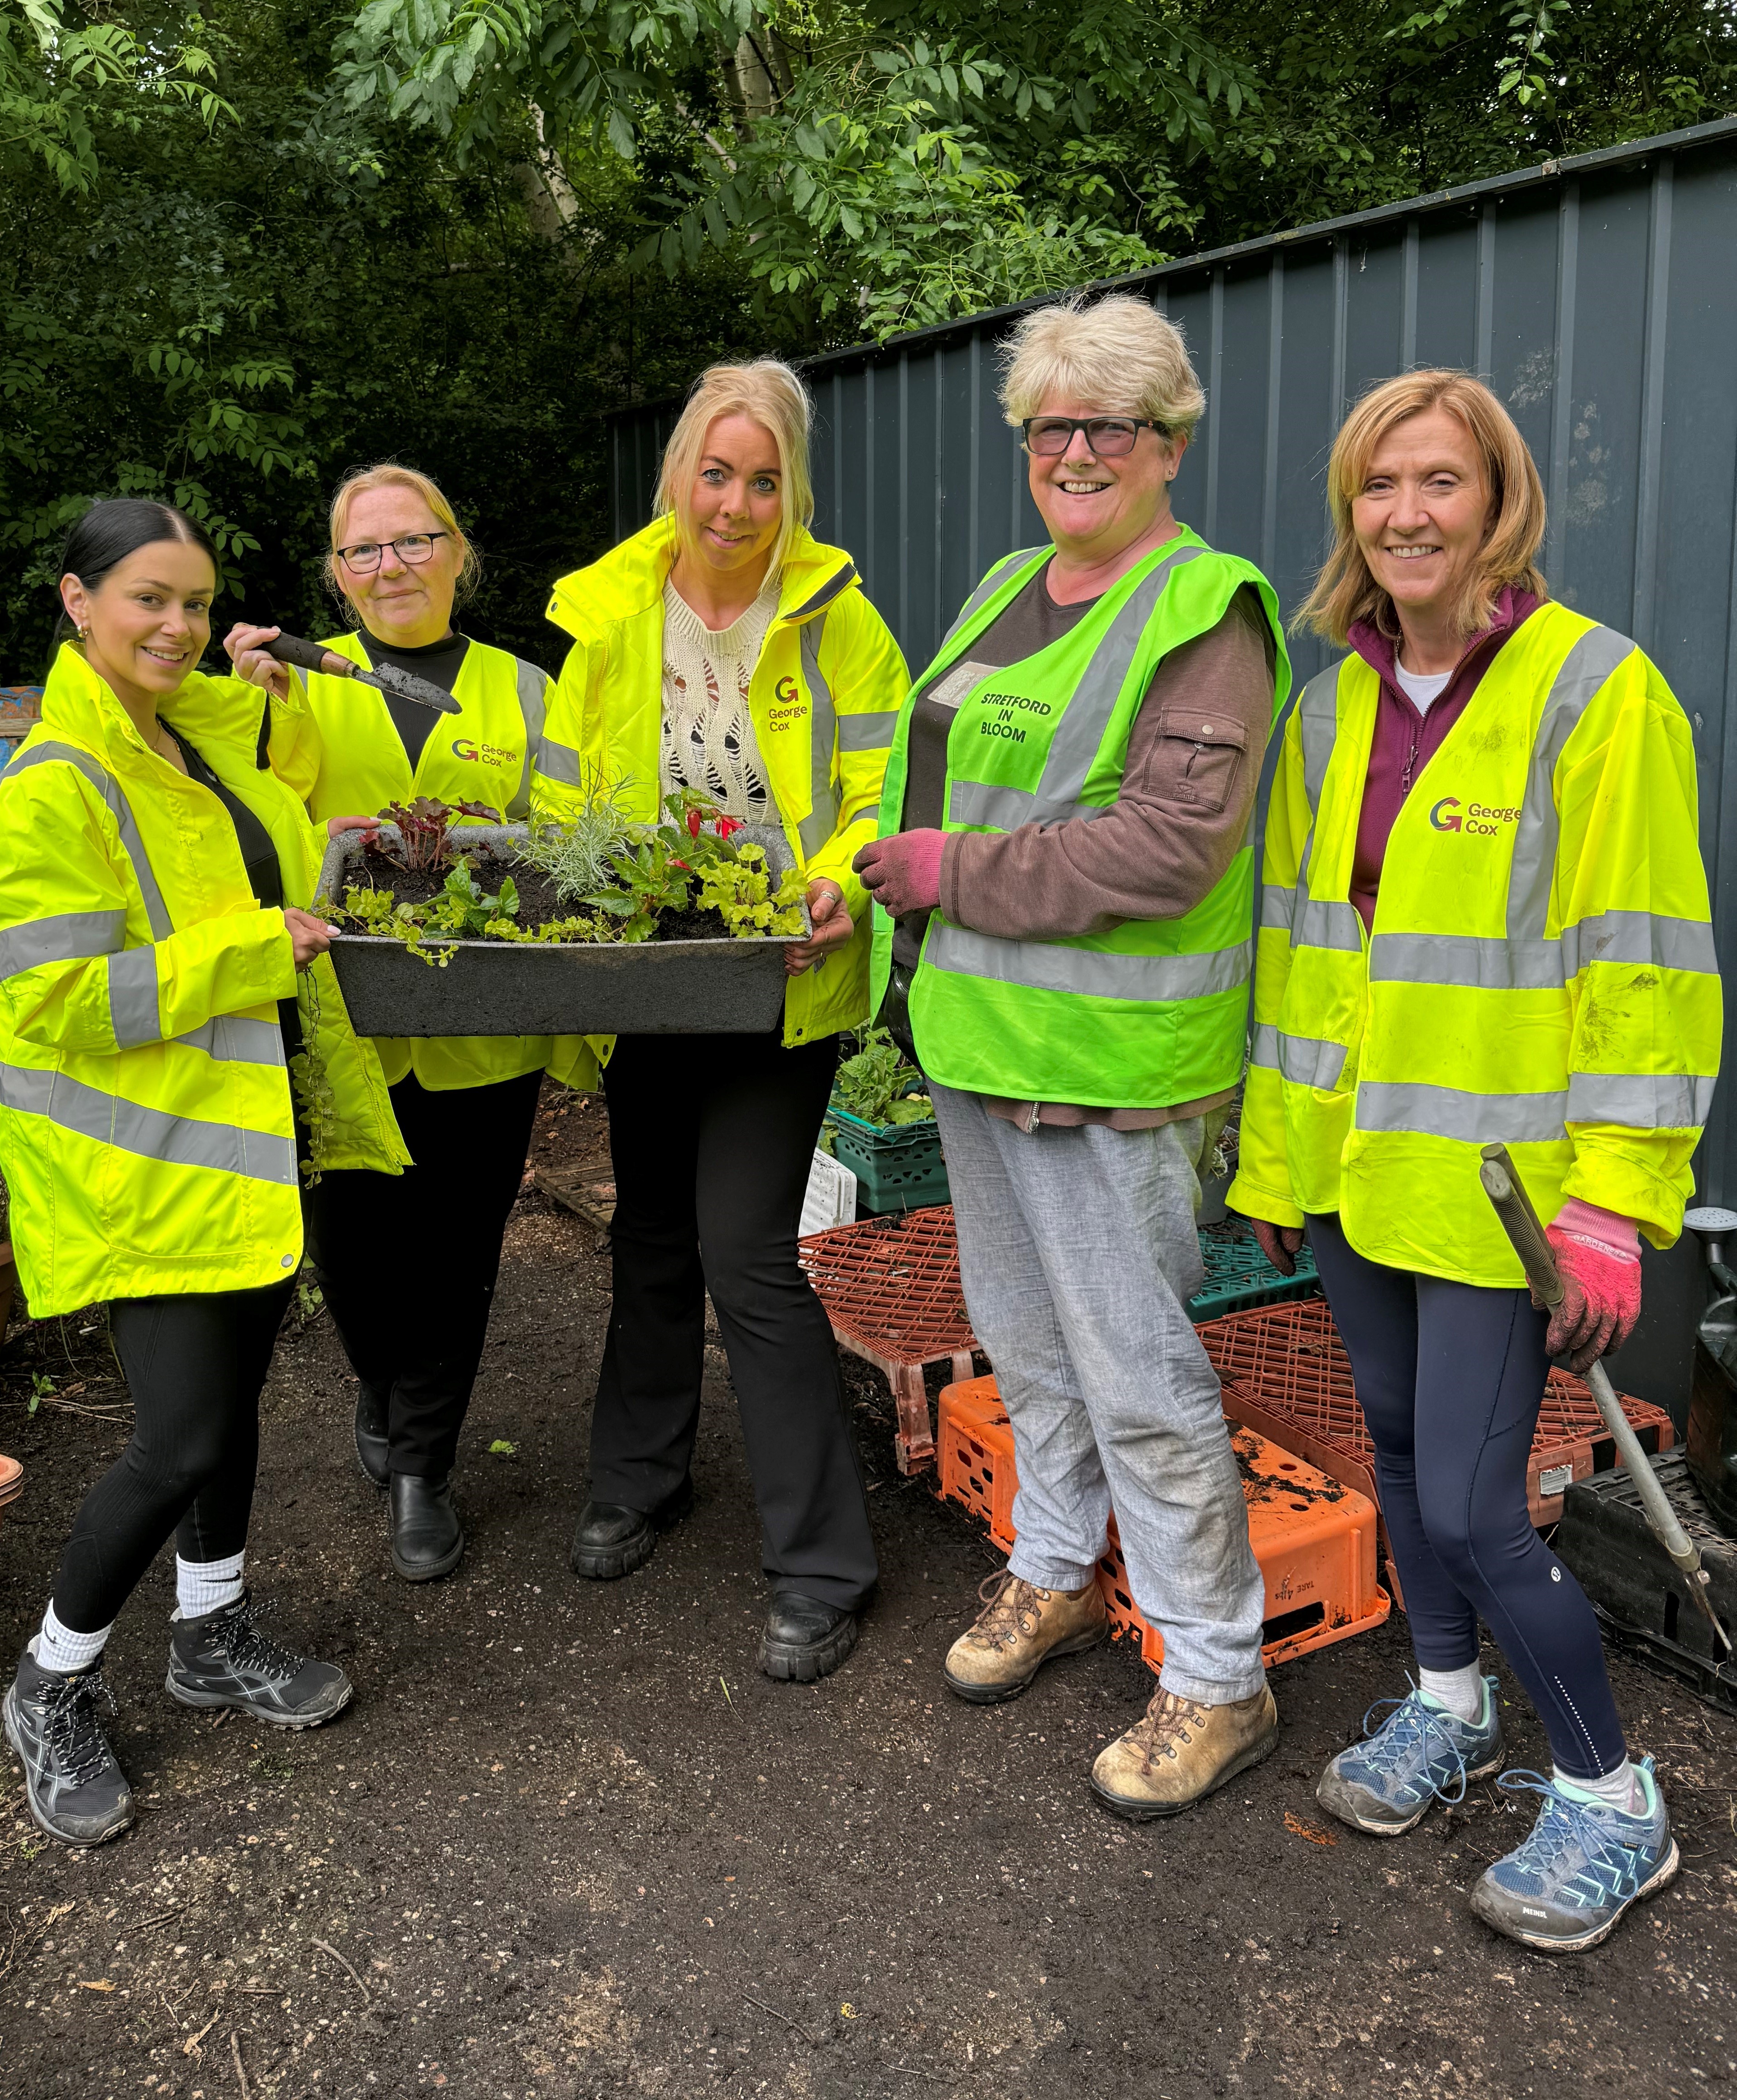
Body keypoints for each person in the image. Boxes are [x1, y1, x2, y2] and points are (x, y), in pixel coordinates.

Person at [1233, 369, 1721, 1951]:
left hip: (1510, 1200)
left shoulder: (1595, 692)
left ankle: (1608, 1794)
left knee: (1468, 1502)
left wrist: (1612, 1204)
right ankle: (1450, 1706)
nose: (1405, 515)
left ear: (1497, 500)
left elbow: (1644, 967)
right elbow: (1308, 966)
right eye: (1377, 488)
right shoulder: (1327, 708)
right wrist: (1274, 1163)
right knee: (1390, 1452)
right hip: (1362, 1177)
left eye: (1438, 481)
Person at [853, 295, 1291, 1817]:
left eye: (1113, 426)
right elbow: (952, 776)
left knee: (1138, 1369)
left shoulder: (1204, 610)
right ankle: (1049, 1570)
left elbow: (1170, 846)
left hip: (1109, 1068)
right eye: (1052, 426)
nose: (1078, 453)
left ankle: (1218, 1674)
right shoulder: (1003, 589)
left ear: (1168, 446)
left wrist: (942, 874)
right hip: (982, 1043)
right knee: (1027, 1344)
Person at [0, 499, 410, 1847]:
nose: (176, 626)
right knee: (179, 1440)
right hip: (138, 1169)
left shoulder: (191, 745)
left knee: (236, 1407)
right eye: (147, 599)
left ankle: (210, 1632)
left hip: (245, 1142)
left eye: (195, 603)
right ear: (76, 601)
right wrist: (255, 950)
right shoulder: (57, 785)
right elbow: (49, 996)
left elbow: (265, 850)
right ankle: (48, 1682)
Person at [537, 358, 911, 1681]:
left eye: (764, 479)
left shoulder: (837, 623)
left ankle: (820, 1564)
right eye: (717, 471)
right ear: (679, 476)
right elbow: (557, 801)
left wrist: (842, 873)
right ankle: (638, 1481)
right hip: (648, 975)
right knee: (647, 1228)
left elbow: (884, 783)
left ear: (789, 488)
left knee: (744, 1245)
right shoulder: (609, 621)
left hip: (777, 974)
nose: (737, 502)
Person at [227, 465, 591, 1583]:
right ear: (337, 575)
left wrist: (489, 841)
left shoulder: (527, 689)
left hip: (483, 1023)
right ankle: (383, 1391)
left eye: (413, 541)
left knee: (459, 1249)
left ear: (457, 549)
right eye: (364, 551)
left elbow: (575, 839)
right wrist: (242, 706)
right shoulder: (296, 687)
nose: (392, 566)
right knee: (355, 1250)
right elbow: (243, 825)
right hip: (349, 1024)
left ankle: (424, 1465)